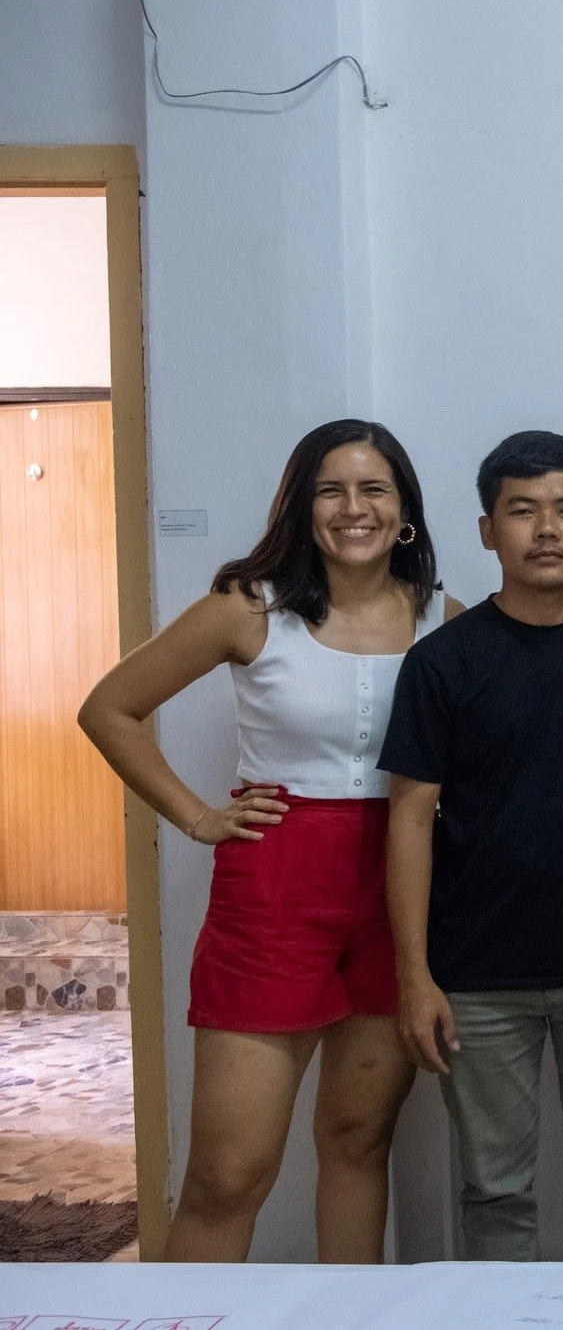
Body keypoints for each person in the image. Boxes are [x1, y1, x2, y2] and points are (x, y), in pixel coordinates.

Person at [77, 420, 451, 1262]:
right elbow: (109, 708)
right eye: (330, 490)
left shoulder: (443, 617)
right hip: (276, 890)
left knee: (358, 1140)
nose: (353, 508)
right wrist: (197, 816)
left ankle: (346, 1319)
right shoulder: (249, 607)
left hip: (399, 891)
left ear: (404, 511)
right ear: (300, 507)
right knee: (227, 1173)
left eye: (373, 489)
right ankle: (186, 1319)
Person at [380, 431, 563, 1261]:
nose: (545, 529)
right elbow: (408, 819)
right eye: (522, 510)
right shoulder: (441, 661)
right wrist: (415, 974)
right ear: (486, 529)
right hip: (476, 972)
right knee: (495, 1191)